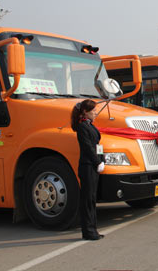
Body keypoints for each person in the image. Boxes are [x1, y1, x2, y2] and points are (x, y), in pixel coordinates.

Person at [71, 99, 105, 241]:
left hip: (93, 165)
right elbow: (87, 147)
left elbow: (96, 145)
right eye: (93, 111)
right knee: (87, 200)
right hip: (87, 166)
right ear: (85, 112)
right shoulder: (82, 127)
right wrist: (98, 161)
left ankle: (93, 229)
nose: (95, 113)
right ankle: (88, 231)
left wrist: (101, 159)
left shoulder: (89, 125)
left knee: (92, 199)